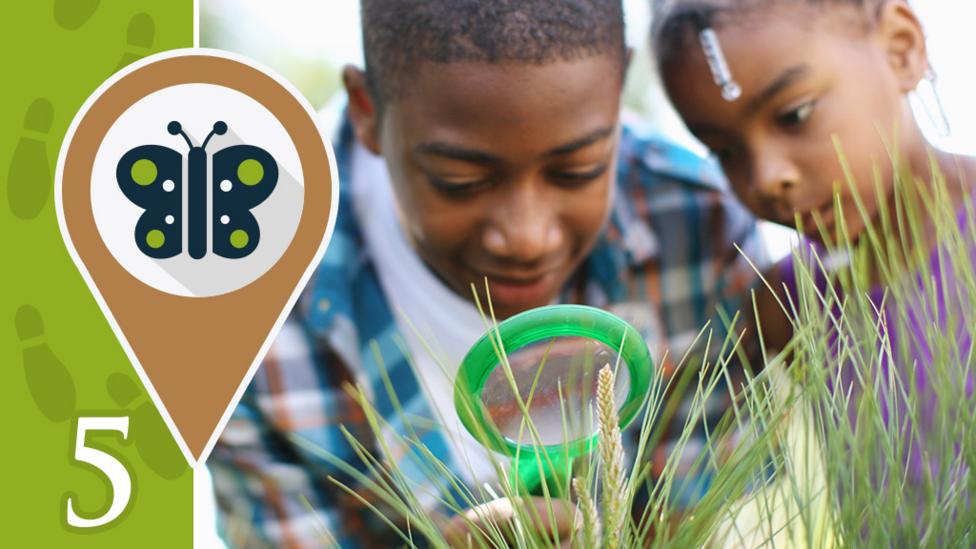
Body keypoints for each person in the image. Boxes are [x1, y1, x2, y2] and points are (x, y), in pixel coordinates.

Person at [208, 1, 768, 547]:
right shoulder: (234, 301)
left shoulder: (702, 229)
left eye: (577, 172)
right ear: (367, 110)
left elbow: (686, 522)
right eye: (461, 181)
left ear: (619, 86)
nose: (527, 238)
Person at [652, 0, 976, 536]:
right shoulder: (788, 304)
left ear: (901, 48)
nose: (765, 177)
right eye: (725, 151)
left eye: (794, 115)